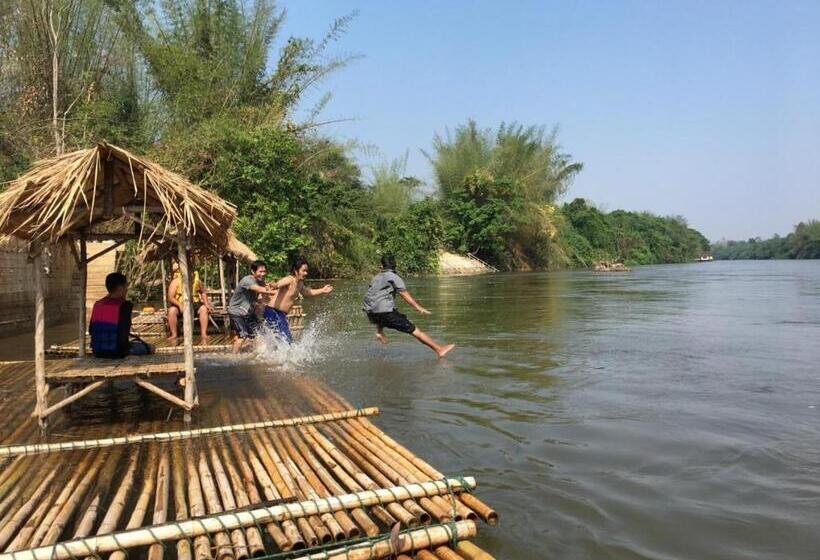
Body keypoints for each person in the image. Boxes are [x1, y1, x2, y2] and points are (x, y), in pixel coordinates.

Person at [362, 255, 455, 358]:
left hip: (370, 312)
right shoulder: (393, 277)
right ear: (395, 265)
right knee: (414, 330)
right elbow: (404, 294)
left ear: (381, 266)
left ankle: (379, 332)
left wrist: (379, 329)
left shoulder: (376, 278)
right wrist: (418, 307)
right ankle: (439, 350)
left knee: (383, 310)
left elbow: (375, 301)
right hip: (384, 312)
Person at [263, 256, 333, 343]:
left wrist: (322, 290)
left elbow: (307, 292)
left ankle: (266, 353)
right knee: (287, 340)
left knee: (283, 339)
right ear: (296, 271)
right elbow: (278, 284)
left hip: (280, 314)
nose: (306, 273)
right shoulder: (290, 279)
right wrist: (273, 285)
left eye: (307, 271)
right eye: (304, 271)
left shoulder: (300, 283)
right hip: (273, 311)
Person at [89, 272, 154, 358]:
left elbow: (91, 330)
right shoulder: (125, 305)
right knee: (152, 347)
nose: (127, 289)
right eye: (126, 286)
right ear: (120, 288)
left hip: (97, 351)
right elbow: (123, 333)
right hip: (117, 351)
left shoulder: (97, 304)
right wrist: (125, 353)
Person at [227, 260, 283, 353]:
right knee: (243, 335)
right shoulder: (247, 280)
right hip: (237, 312)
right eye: (260, 272)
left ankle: (256, 353)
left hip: (248, 312)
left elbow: (266, 293)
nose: (263, 274)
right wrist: (275, 292)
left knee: (258, 332)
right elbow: (259, 289)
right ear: (253, 271)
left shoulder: (260, 281)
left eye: (264, 271)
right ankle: (232, 357)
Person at [167, 261, 213, 344]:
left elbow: (203, 292)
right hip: (179, 304)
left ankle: (203, 334)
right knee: (171, 311)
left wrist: (206, 304)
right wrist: (179, 305)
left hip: (194, 304)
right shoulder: (176, 281)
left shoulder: (197, 281)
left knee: (204, 309)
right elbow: (170, 297)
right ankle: (174, 334)